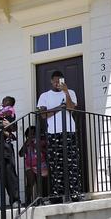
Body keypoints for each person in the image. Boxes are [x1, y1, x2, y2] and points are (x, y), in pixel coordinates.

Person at [37, 70, 82, 201]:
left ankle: (74, 194)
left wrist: (66, 92)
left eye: (60, 81)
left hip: (70, 132)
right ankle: (57, 195)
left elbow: (71, 109)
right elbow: (44, 115)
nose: (57, 83)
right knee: (56, 165)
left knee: (72, 164)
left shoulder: (70, 92)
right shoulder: (45, 95)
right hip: (53, 133)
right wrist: (59, 107)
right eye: (55, 81)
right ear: (51, 81)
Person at [0, 96, 21, 207]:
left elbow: (13, 126)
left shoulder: (9, 110)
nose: (4, 103)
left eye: (6, 101)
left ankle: (14, 199)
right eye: (3, 101)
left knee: (9, 172)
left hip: (5, 144)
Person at [19, 126, 49, 205]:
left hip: (41, 165)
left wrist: (38, 147)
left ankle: (43, 199)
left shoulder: (42, 141)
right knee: (30, 183)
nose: (32, 136)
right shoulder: (27, 143)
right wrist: (26, 144)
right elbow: (20, 154)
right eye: (30, 134)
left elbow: (47, 152)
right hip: (29, 165)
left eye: (34, 133)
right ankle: (28, 201)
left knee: (41, 183)